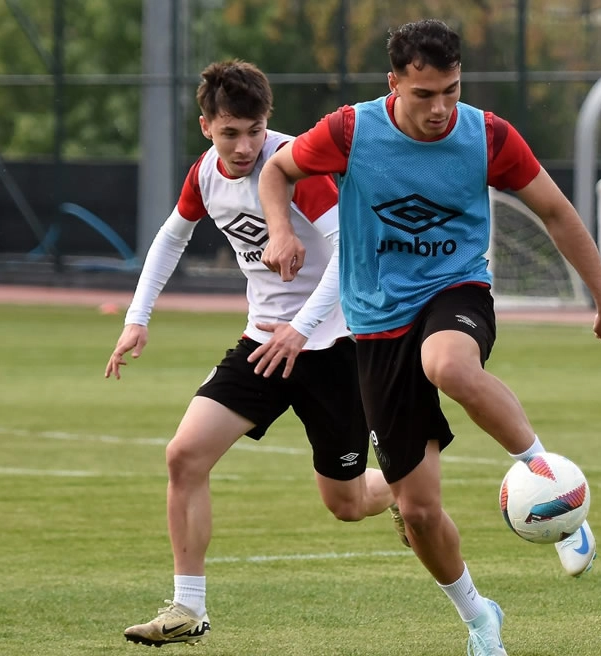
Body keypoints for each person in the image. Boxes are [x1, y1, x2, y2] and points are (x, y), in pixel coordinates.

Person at [258, 19, 601, 656]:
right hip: (376, 325)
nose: (440, 109)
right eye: (424, 94)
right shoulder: (350, 130)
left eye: (451, 91)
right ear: (393, 84)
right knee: (419, 512)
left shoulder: (488, 136)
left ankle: (556, 489)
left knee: (449, 365)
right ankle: (480, 619)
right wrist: (280, 230)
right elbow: (276, 172)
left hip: (455, 291)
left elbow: (555, 211)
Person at [105, 59, 396, 648]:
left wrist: (302, 328)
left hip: (334, 348)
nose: (244, 147)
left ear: (269, 122)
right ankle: (188, 608)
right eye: (230, 132)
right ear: (206, 126)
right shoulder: (204, 174)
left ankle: (400, 486)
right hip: (263, 346)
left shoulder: (297, 167)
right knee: (184, 455)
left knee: (346, 504)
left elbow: (351, 255)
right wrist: (138, 318)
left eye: (255, 130)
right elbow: (171, 237)